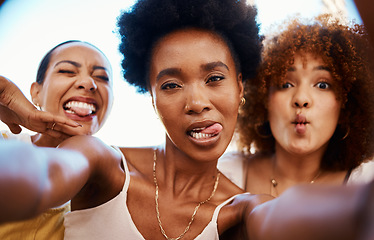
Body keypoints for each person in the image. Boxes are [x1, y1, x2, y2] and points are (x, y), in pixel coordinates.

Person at [0, 1, 371, 239]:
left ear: (241, 88)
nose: (197, 102)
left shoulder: (240, 209)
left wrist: (359, 209)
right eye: (172, 84)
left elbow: (282, 218)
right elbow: (41, 174)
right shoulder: (102, 162)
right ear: (153, 98)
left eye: (214, 78)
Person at [219, 14, 374, 196]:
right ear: (263, 99)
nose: (301, 99)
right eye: (286, 84)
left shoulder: (365, 185)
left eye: (322, 85)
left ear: (346, 103)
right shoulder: (225, 174)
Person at [0, 40, 114, 239]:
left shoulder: (116, 186)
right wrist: (3, 91)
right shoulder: (5, 142)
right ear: (36, 92)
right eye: (67, 71)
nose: (89, 83)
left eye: (102, 77)